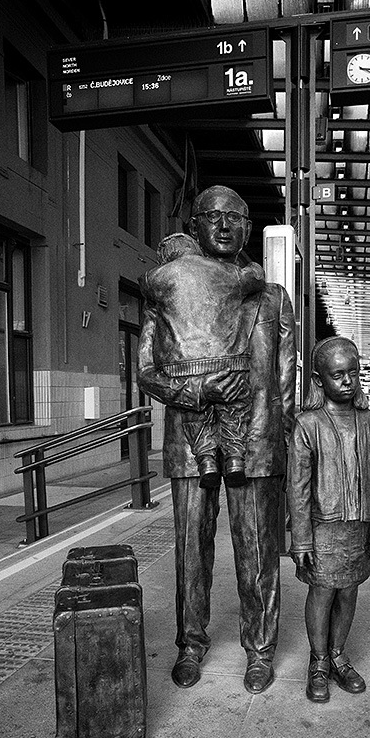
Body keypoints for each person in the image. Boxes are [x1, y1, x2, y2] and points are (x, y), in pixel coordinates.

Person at [138, 185, 296, 695]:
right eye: (212, 216)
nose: (224, 226)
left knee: (258, 549)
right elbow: (145, 369)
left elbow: (287, 382)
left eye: (236, 217)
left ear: (249, 228)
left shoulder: (272, 297)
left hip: (258, 438)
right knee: (191, 549)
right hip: (189, 435)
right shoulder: (175, 288)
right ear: (196, 224)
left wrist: (283, 444)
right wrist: (193, 387)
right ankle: (191, 643)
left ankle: (261, 648)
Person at [287, 337, 370, 703]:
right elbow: (296, 488)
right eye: (338, 375)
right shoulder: (308, 424)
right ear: (318, 380)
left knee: (348, 591)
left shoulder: (368, 422)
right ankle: (317, 662)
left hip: (358, 526)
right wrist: (300, 539)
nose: (348, 381)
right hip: (322, 527)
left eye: (354, 373)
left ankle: (339, 656)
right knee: (322, 592)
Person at [139, 231, 264, 489]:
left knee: (194, 416)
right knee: (234, 408)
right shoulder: (227, 272)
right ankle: (234, 458)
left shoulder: (155, 278)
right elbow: (255, 276)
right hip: (229, 364)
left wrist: (195, 391)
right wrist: (252, 266)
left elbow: (144, 283)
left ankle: (205, 459)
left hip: (184, 368)